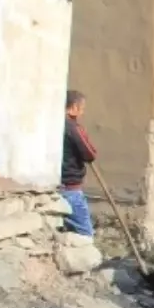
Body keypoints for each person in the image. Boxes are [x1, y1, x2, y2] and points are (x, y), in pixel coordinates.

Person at [61, 90, 98, 237]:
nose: (82, 113)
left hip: (56, 186)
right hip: (70, 188)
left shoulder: (52, 124)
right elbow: (90, 154)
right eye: (82, 109)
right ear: (74, 108)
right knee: (85, 233)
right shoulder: (73, 128)